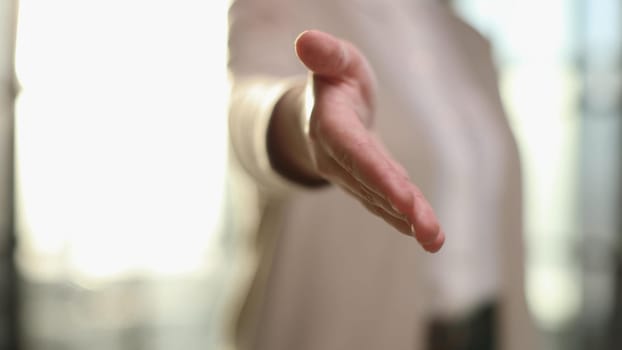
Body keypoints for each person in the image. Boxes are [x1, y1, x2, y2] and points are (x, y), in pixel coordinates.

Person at [223, 0, 537, 349]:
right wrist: (303, 116)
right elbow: (246, 111)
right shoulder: (287, 8)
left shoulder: (468, 39)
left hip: (486, 331)